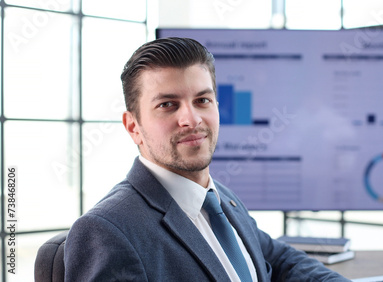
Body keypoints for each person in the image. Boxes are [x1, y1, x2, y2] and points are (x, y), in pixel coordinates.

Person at [64, 37, 350, 281]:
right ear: (133, 127)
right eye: (167, 105)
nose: (191, 119)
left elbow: (281, 260)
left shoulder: (219, 198)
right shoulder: (106, 231)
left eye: (202, 100)